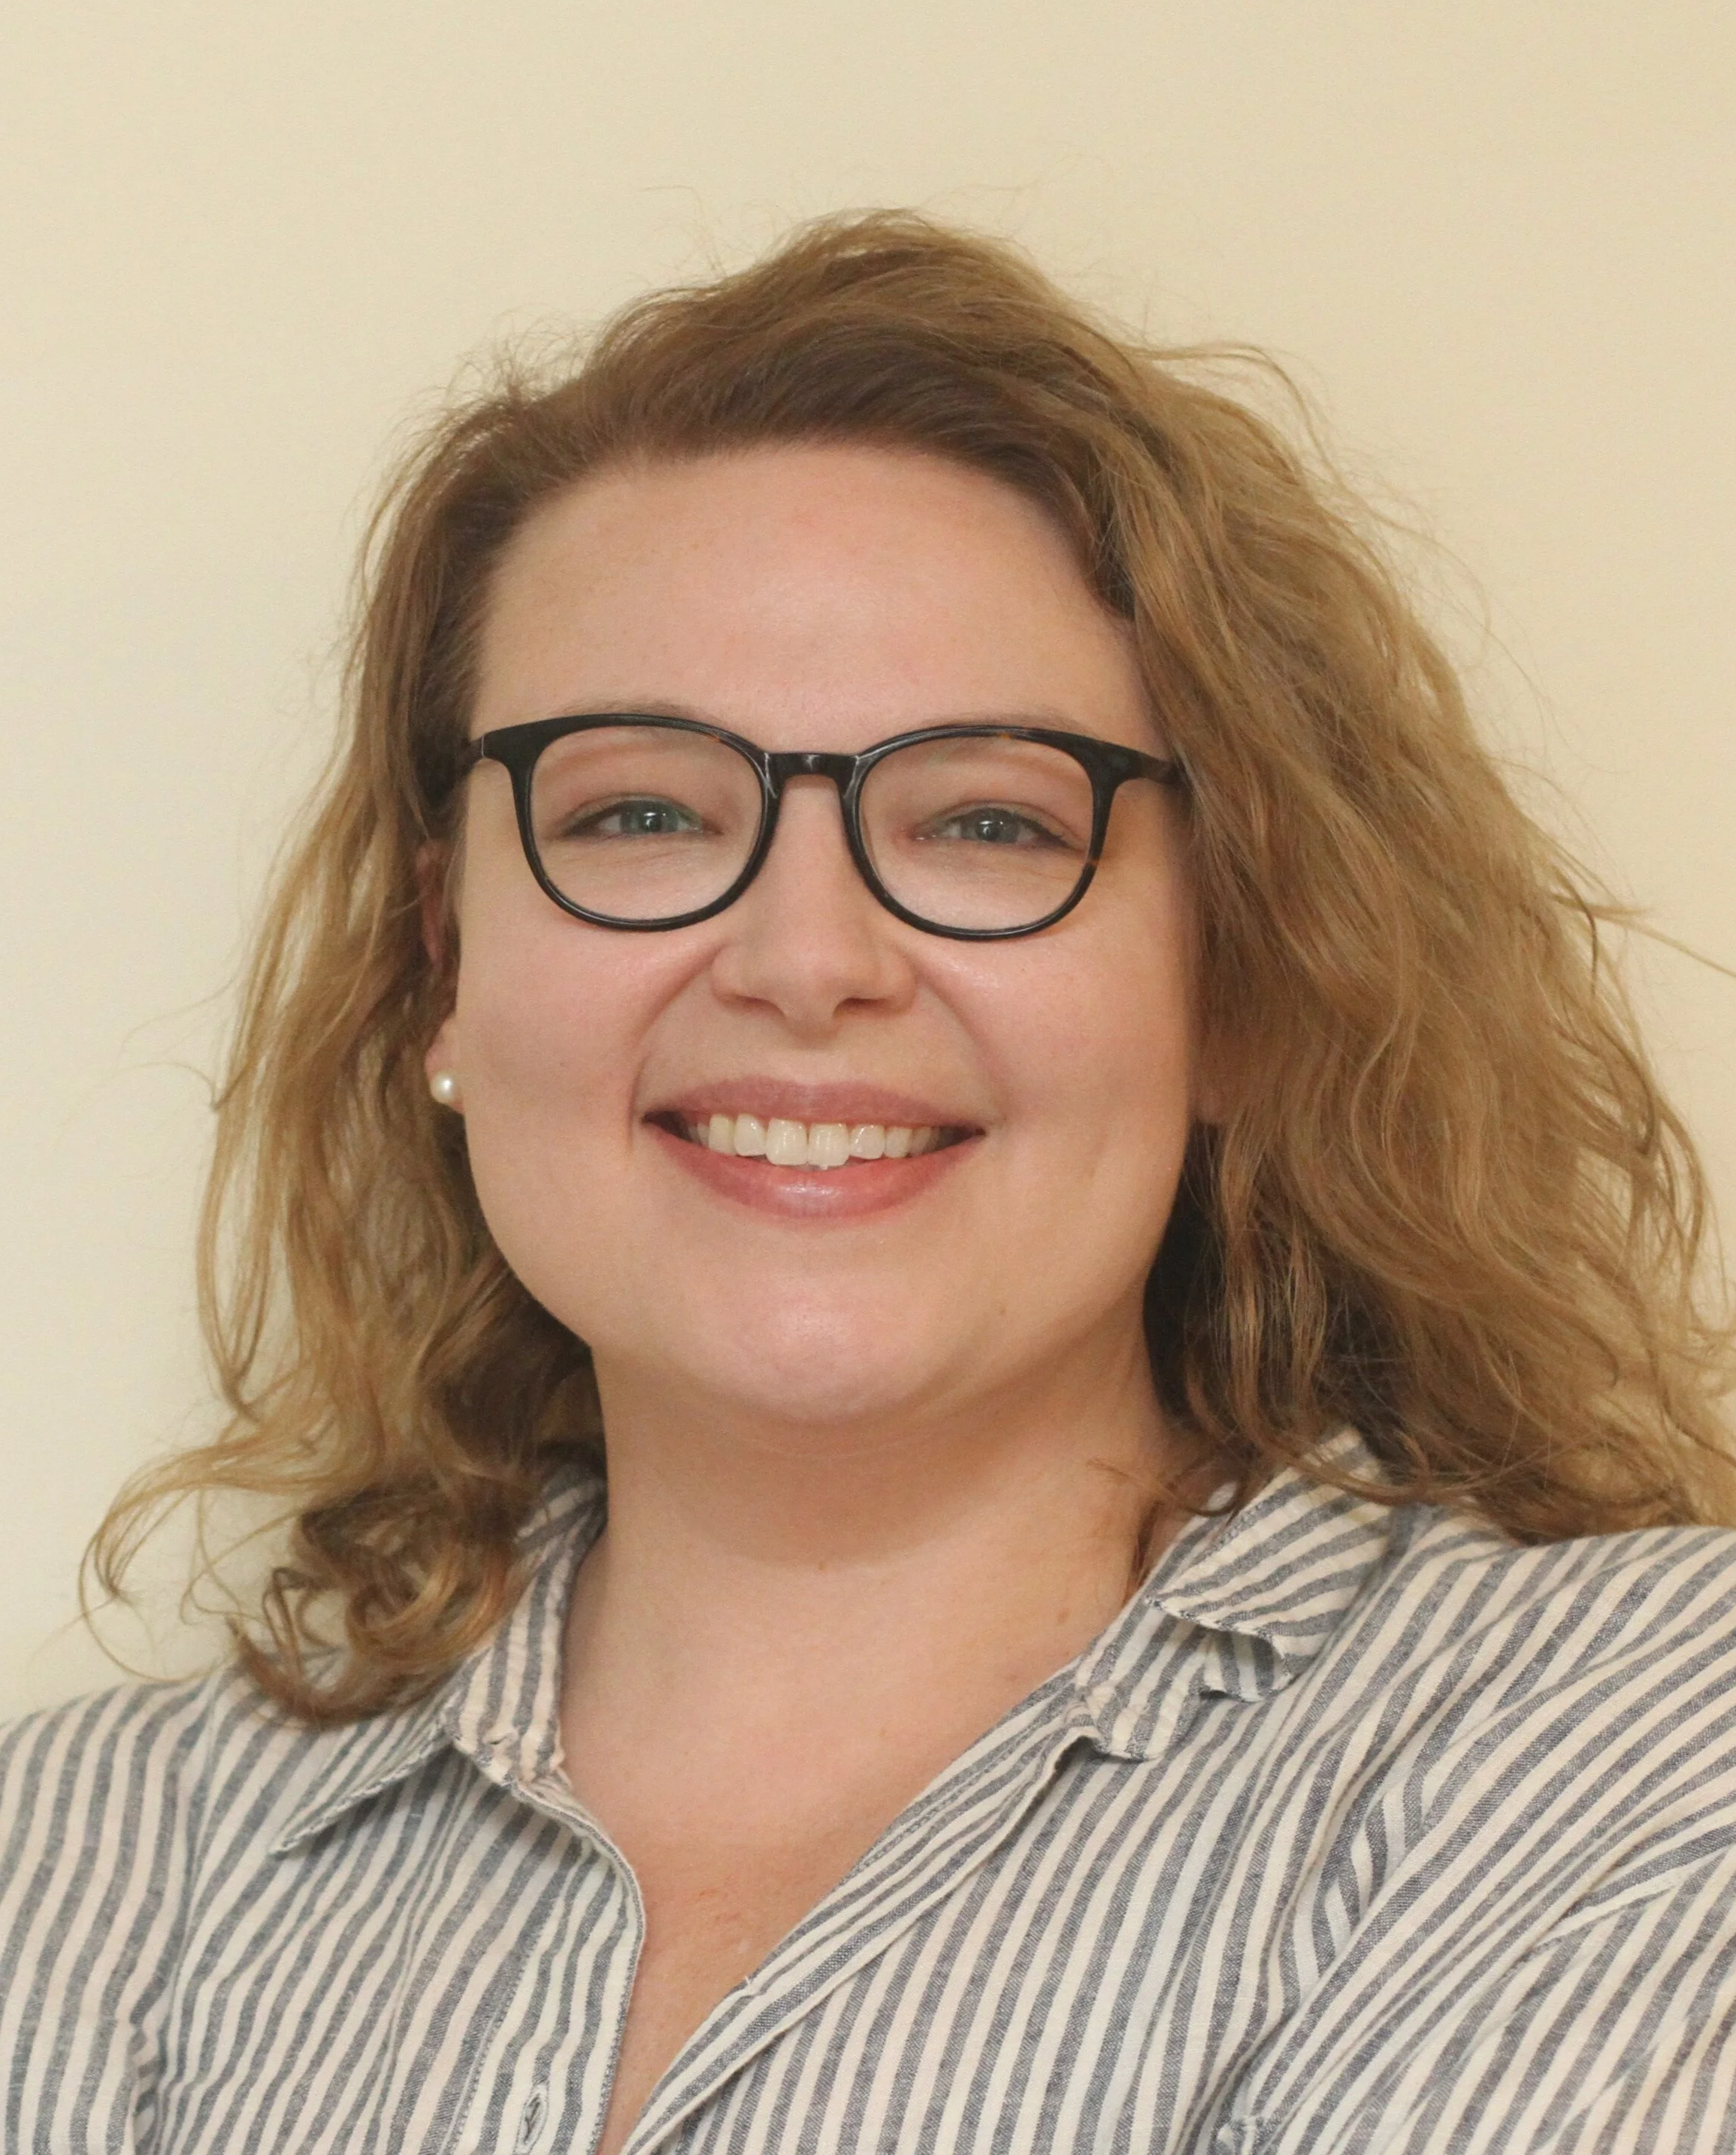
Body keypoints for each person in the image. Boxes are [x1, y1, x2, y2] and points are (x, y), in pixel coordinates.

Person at [4, 212, 1735, 2155]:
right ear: (443, 970)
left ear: (1244, 981)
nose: (803, 958)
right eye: (642, 813)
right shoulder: (79, 1874)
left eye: (989, 820)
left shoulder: (1625, 1737)